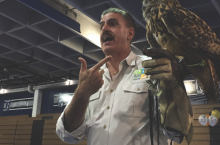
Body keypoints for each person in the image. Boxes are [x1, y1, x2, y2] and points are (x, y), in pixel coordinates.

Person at [56, 8, 192, 145]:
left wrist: (174, 86)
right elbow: (68, 135)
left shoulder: (153, 68)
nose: (104, 29)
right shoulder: (91, 79)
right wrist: (82, 93)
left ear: (130, 33)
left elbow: (177, 133)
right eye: (102, 25)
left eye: (112, 24)